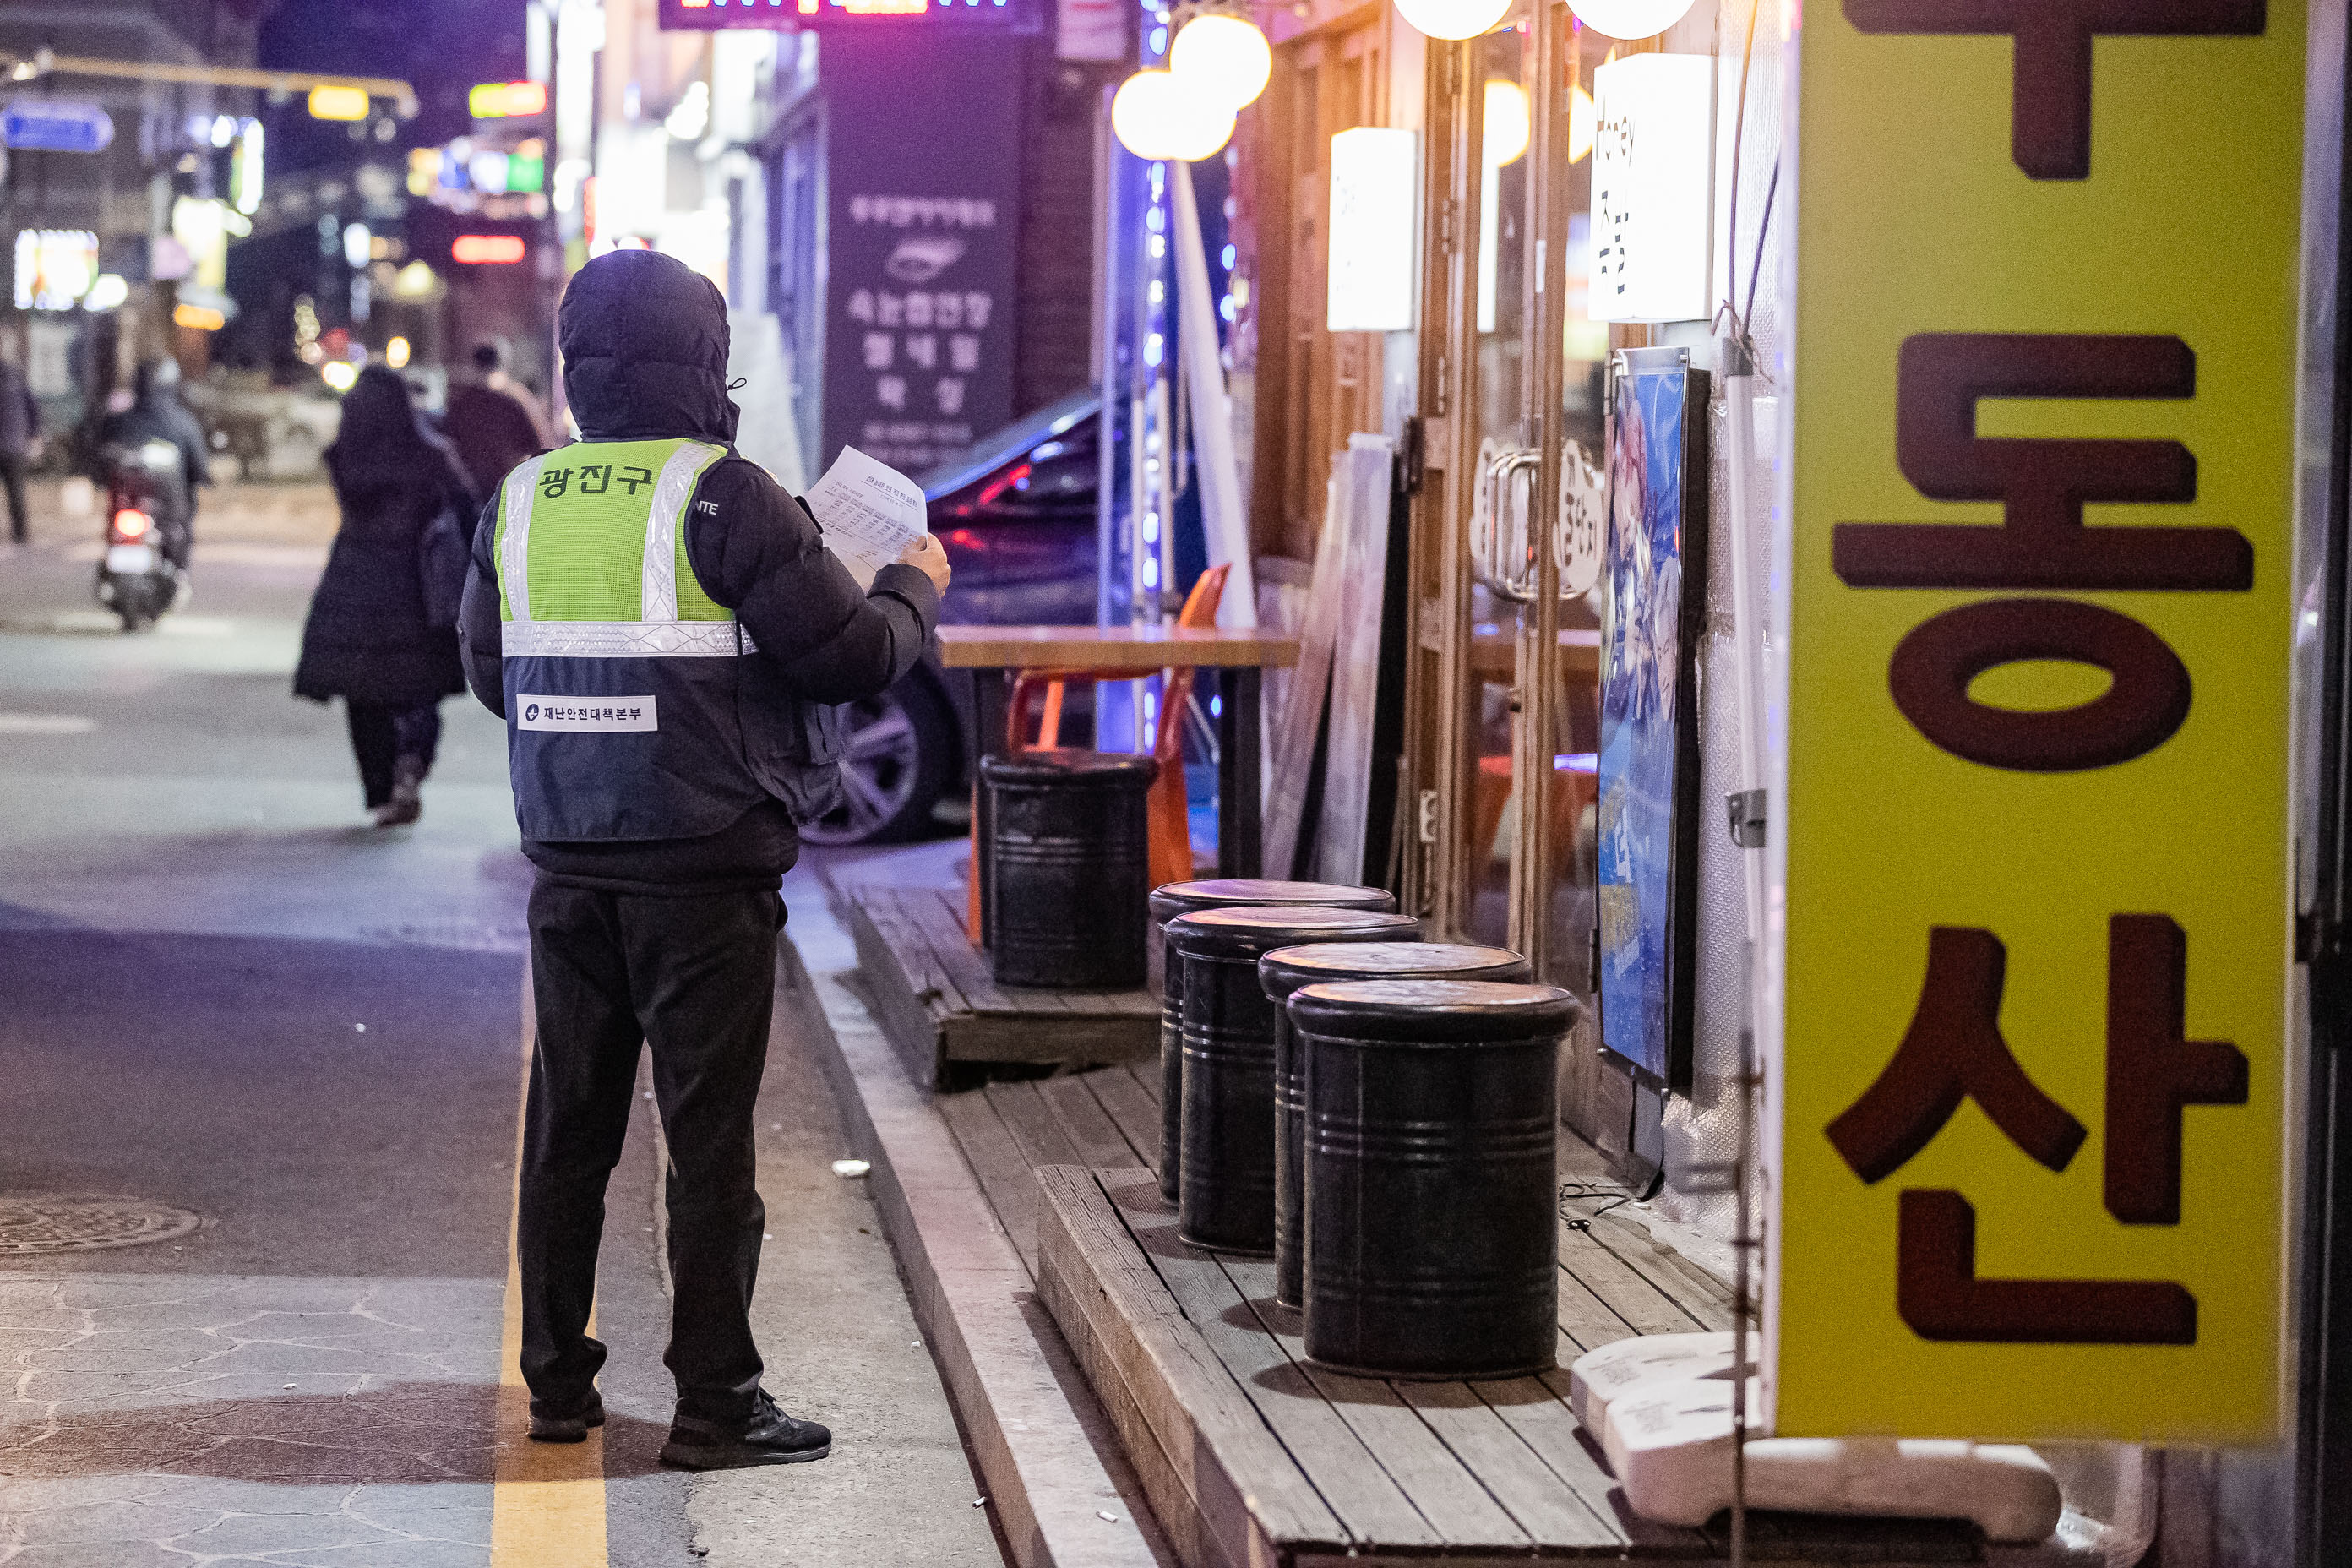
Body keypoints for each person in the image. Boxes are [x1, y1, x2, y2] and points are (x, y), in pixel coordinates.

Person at [456, 248, 950, 1470]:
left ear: (577, 364)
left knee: (569, 1129)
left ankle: (559, 1391)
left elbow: (486, 673)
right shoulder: (727, 496)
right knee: (707, 1140)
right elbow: (845, 658)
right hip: (707, 870)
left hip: (570, 860)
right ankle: (715, 1404)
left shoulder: (519, 498)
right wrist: (908, 585)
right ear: (701, 359)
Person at [296, 367, 477, 827]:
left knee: (364, 692)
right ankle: (411, 764)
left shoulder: (345, 457)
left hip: (356, 580)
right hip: (419, 584)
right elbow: (469, 507)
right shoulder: (432, 455)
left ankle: (379, 786)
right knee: (421, 686)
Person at [95, 360, 210, 569]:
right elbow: (198, 466)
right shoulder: (184, 422)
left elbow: (99, 458)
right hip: (162, 512)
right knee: (180, 529)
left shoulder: (119, 421)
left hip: (129, 505)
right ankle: (178, 571)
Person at [444, 338, 553, 501]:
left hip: (469, 492)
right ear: (504, 364)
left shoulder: (462, 402)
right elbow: (541, 448)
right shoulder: (517, 399)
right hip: (508, 490)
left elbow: (449, 444)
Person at [0, 330, 41, 546]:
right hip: (14, 443)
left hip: (13, 443)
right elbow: (33, 408)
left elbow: (32, 408)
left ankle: (21, 532)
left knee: (16, 490)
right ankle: (20, 532)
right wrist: (34, 434)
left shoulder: (15, 376)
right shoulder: (15, 375)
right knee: (16, 490)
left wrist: (34, 434)